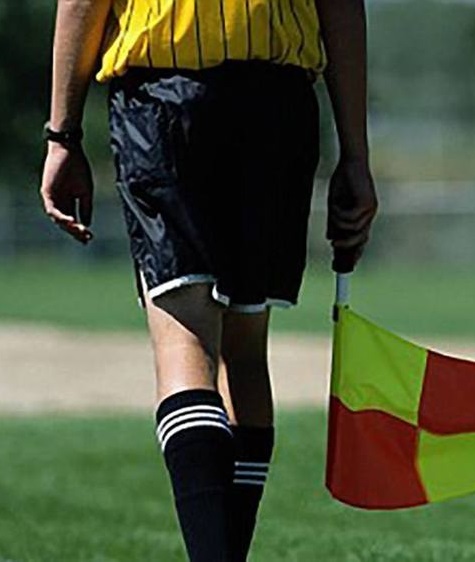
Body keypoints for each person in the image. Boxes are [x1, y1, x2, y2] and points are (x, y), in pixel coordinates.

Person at [39, 1, 377, 560]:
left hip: (162, 99)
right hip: (278, 104)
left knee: (186, 343)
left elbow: (81, 3)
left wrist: (62, 136)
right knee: (244, 354)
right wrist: (356, 154)